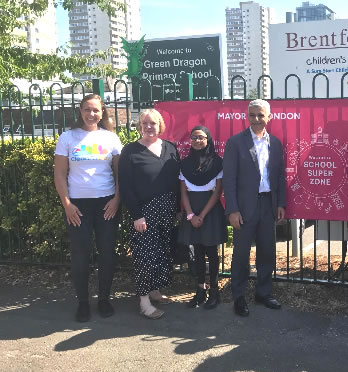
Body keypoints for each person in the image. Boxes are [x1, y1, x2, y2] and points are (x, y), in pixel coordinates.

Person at [54, 94, 122, 322]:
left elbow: (120, 174)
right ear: (80, 111)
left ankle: (104, 299)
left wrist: (116, 200)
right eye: (87, 110)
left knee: (107, 254)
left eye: (96, 110)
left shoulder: (111, 138)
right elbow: (59, 174)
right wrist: (67, 205)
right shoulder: (67, 137)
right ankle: (83, 302)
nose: (91, 114)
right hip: (78, 206)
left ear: (102, 112)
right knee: (81, 255)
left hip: (107, 204)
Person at [223, 99, 286, 317]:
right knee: (241, 253)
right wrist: (232, 209)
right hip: (244, 207)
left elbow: (279, 175)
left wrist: (280, 203)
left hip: (268, 204)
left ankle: (263, 292)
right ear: (247, 117)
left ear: (269, 117)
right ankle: (238, 296)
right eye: (252, 115)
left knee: (267, 251)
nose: (257, 119)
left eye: (261, 115)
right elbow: (229, 179)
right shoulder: (235, 143)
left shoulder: (276, 143)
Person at [119, 109, 180, 319]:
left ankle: (155, 290)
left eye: (153, 123)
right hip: (144, 212)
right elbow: (125, 186)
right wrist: (136, 215)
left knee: (162, 252)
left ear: (160, 125)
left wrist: (178, 209)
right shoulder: (130, 151)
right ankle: (144, 301)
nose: (149, 127)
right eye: (144, 123)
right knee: (145, 255)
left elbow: (177, 181)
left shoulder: (170, 147)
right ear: (139, 126)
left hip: (167, 209)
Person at [179, 126, 227, 310]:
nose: (197, 140)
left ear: (208, 140)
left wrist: (202, 215)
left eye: (201, 137)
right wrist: (191, 215)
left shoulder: (217, 162)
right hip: (192, 211)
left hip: (210, 211)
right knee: (197, 251)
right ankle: (200, 289)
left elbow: (217, 193)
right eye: (194, 137)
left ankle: (214, 291)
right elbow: (183, 192)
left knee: (212, 252)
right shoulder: (184, 164)